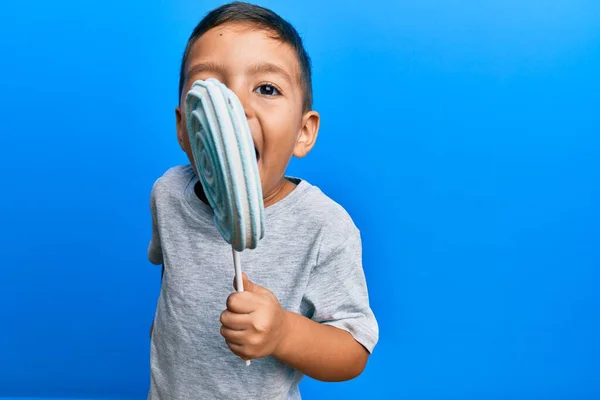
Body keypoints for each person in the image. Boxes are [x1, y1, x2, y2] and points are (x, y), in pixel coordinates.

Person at [148, 2, 378, 398]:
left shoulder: (324, 226)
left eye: (266, 88)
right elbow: (169, 278)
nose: (234, 109)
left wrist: (284, 333)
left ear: (303, 132)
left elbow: (353, 352)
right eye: (212, 90)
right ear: (186, 128)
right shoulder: (168, 193)